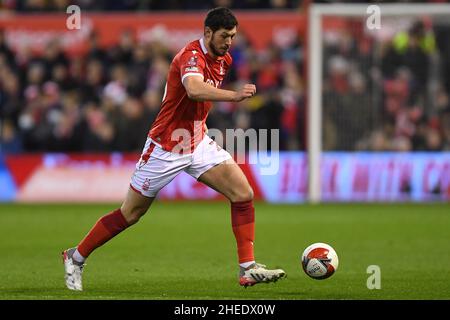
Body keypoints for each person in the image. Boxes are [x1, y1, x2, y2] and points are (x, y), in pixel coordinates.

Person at [62, 7, 286, 291]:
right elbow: (194, 89)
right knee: (130, 214)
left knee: (243, 194)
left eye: (233, 36)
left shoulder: (224, 59)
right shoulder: (190, 56)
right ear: (208, 32)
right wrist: (234, 96)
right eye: (225, 36)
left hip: (196, 140)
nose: (230, 41)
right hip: (166, 145)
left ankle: (247, 268)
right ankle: (75, 256)